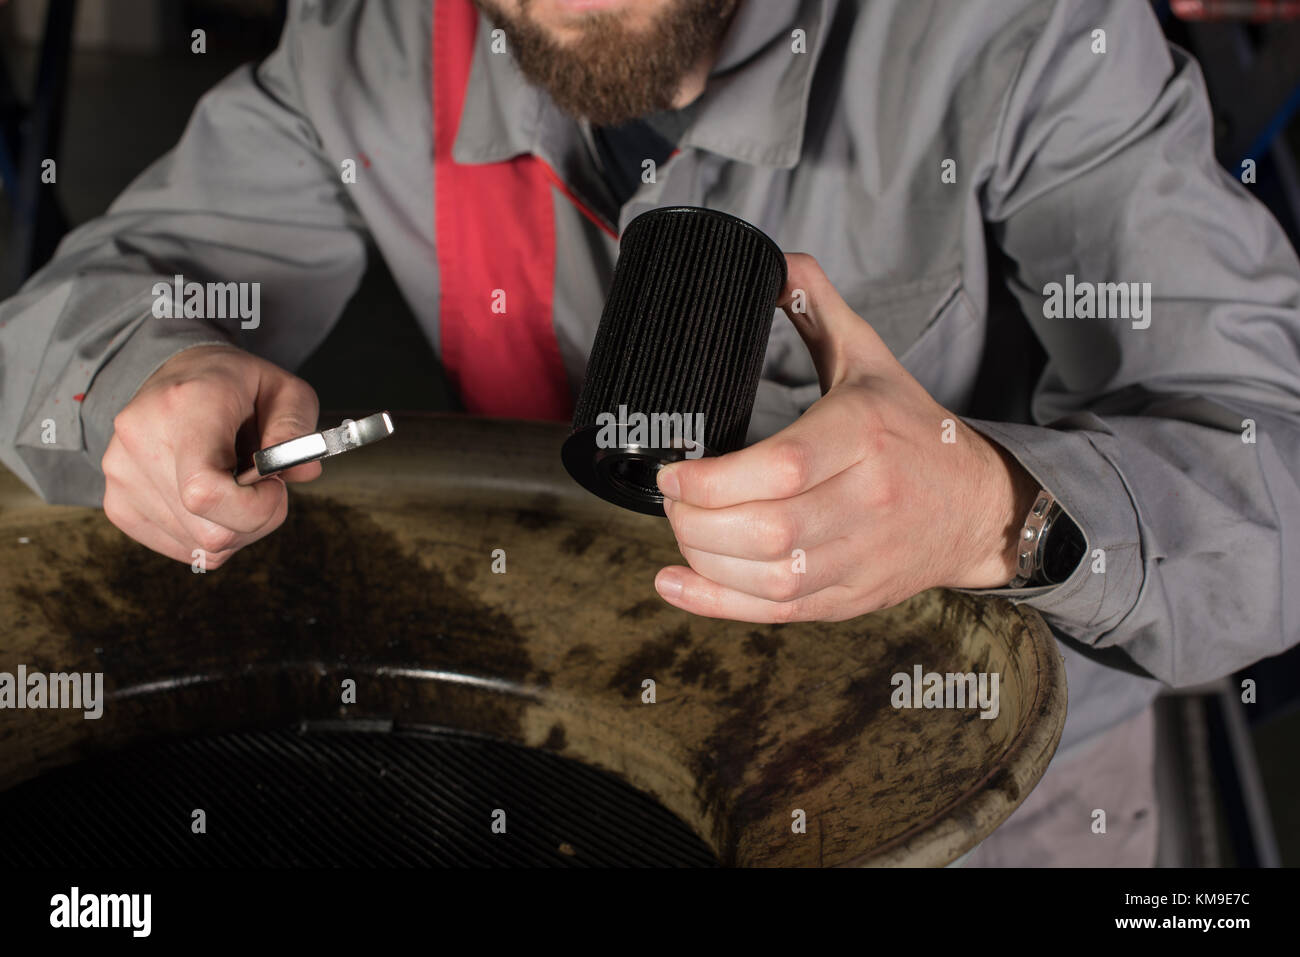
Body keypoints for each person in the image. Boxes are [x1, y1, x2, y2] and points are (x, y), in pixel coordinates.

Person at [1, 0, 1297, 866]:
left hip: (980, 770)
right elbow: (81, 313)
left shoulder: (1022, 31)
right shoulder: (392, 41)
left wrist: (993, 508)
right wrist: (137, 385)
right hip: (580, 729)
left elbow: (1276, 475)